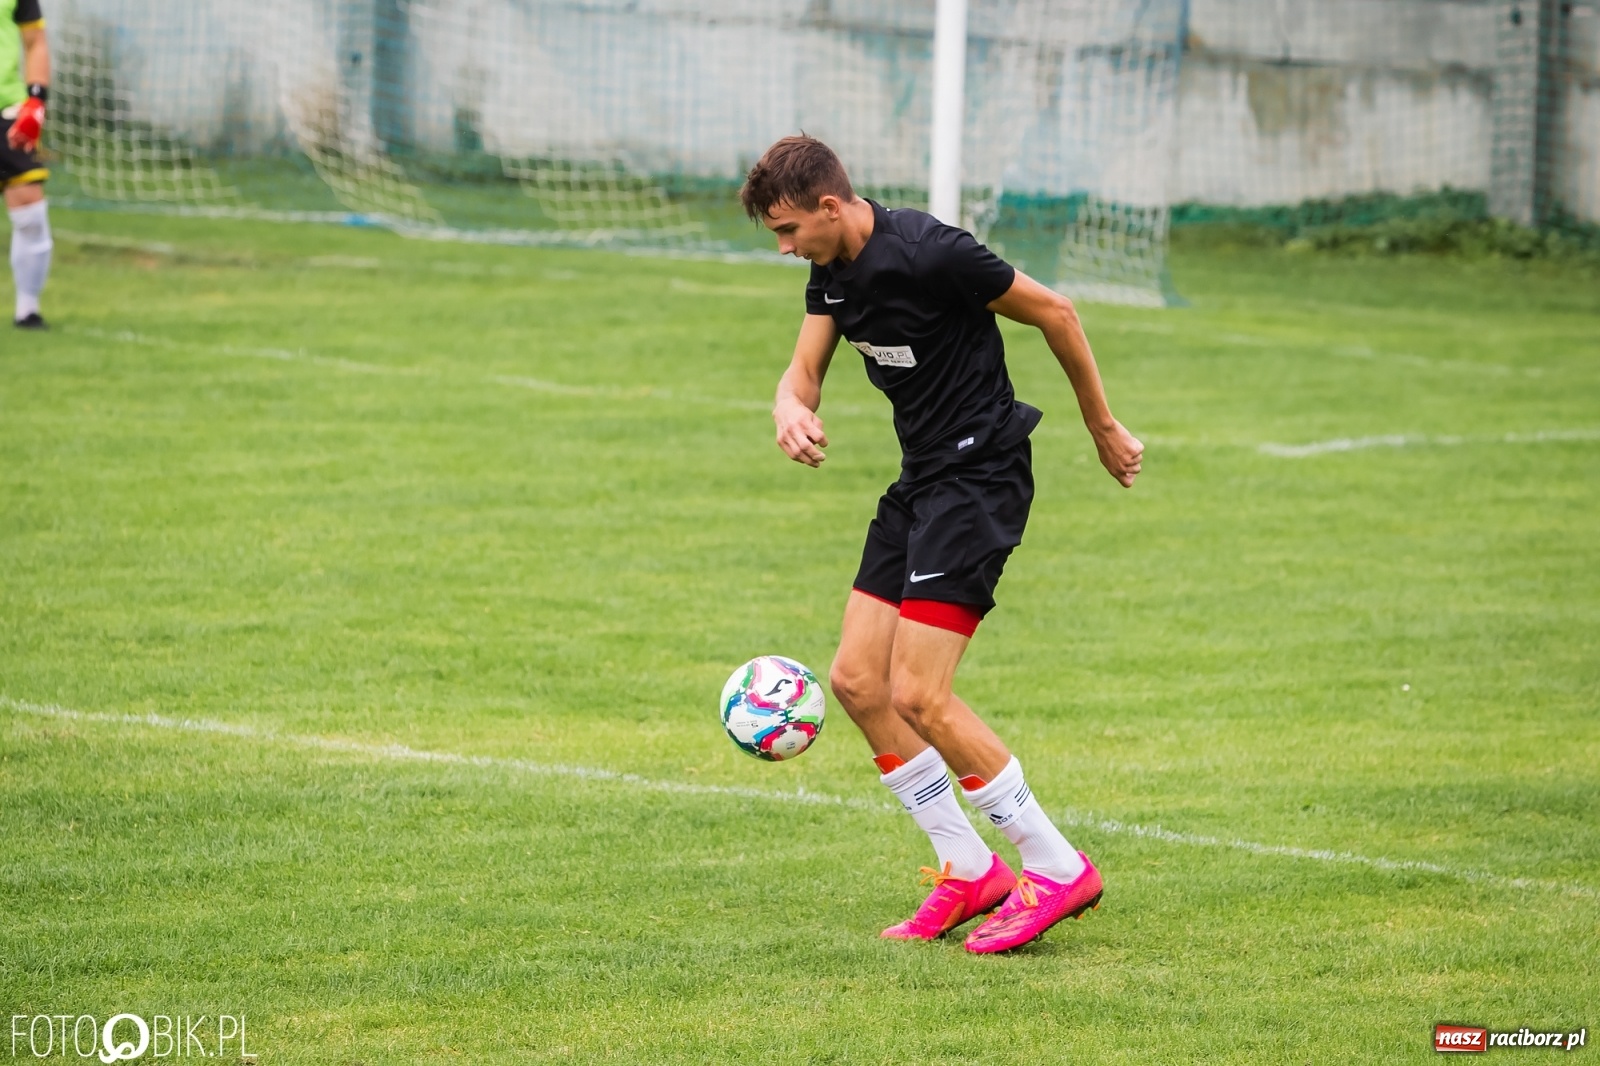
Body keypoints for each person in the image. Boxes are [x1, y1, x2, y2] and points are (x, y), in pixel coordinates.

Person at [740, 135, 1143, 954]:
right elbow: (802, 370)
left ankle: (1056, 865)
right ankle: (968, 870)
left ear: (829, 206)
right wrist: (789, 405)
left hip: (981, 476)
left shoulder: (932, 254)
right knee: (857, 680)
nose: (784, 250)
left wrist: (1101, 425)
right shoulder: (833, 273)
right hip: (923, 479)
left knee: (921, 694)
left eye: (787, 231)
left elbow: (1057, 312)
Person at [3, 0, 50, 329]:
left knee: (30, 211)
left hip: (7, 110)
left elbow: (35, 42)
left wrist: (35, 102)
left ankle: (28, 309)